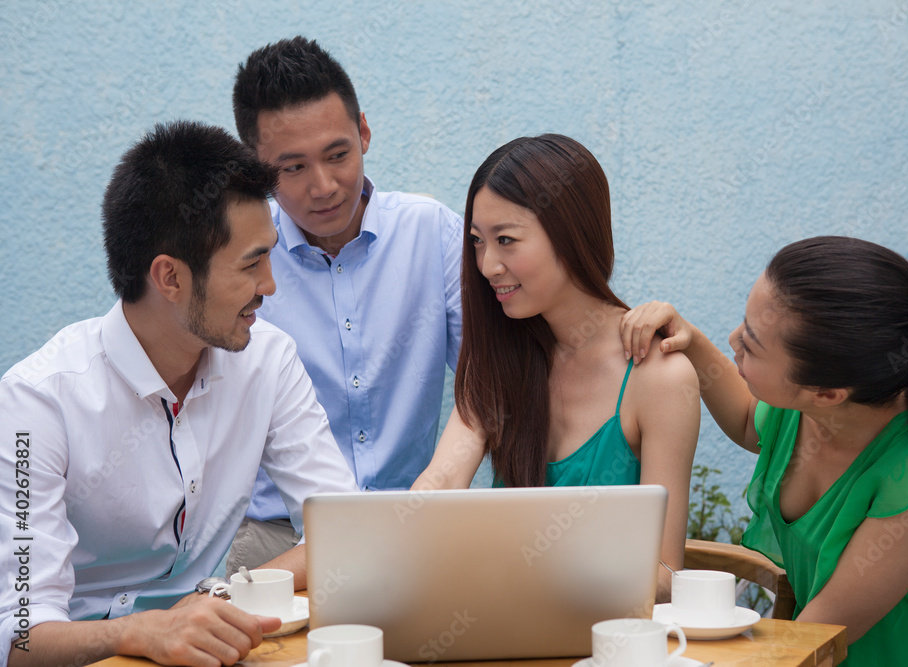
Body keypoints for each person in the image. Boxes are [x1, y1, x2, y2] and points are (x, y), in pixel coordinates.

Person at [0, 120, 359, 667]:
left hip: (208, 647)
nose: (270, 285)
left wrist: (220, 595)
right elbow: (20, 637)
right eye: (250, 264)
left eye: (270, 256)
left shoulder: (267, 358)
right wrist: (138, 633)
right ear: (169, 278)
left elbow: (343, 531)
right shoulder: (35, 404)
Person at [620, 236, 908, 665]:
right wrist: (687, 337)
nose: (733, 340)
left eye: (751, 344)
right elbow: (749, 421)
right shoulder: (809, 408)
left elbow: (819, 631)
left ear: (827, 393)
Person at [411, 134, 700, 601]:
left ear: (571, 233)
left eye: (506, 240)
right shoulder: (499, 357)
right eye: (478, 243)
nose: (487, 266)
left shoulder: (660, 377)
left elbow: (664, 574)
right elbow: (442, 479)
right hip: (508, 628)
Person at [228, 36, 463, 572]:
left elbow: (492, 375)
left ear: (364, 132)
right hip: (278, 542)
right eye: (292, 168)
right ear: (256, 169)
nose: (325, 186)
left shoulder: (432, 233)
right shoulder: (240, 264)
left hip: (417, 530)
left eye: (339, 154)